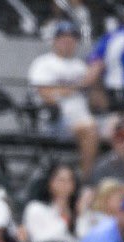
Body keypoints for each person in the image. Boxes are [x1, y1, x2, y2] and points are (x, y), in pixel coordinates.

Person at [28, 21, 100, 178]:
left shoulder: (81, 66)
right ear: (54, 40)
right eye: (63, 38)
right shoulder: (44, 63)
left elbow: (98, 103)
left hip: (85, 118)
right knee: (90, 130)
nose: (68, 42)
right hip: (56, 121)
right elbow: (45, 94)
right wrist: (79, 85)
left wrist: (96, 79)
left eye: (72, 38)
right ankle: (87, 180)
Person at [23, 163, 79, 242]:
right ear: (50, 183)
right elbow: (41, 239)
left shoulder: (78, 211)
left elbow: (83, 240)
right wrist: (63, 216)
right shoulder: (35, 208)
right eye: (61, 180)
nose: (65, 184)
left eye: (69, 180)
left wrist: (79, 213)